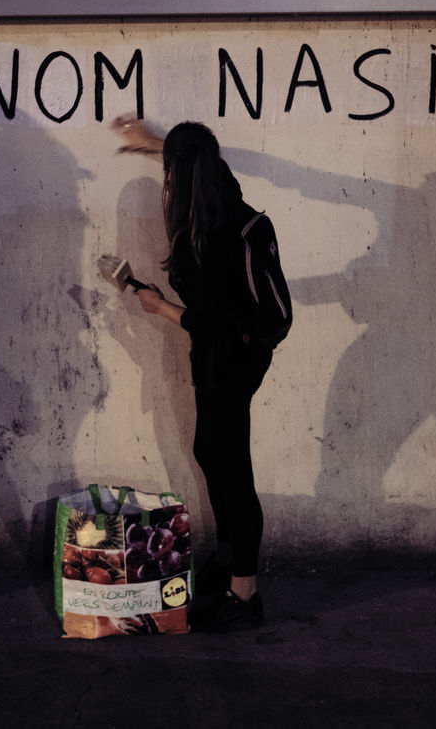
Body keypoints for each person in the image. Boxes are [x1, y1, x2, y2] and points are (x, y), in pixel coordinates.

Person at [112, 117, 292, 631]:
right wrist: (155, 144)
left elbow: (221, 321)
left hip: (233, 357)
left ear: (181, 174)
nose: (166, 182)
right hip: (218, 357)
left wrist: (162, 308)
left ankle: (245, 593)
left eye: (169, 171)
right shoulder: (220, 194)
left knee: (231, 468)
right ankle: (228, 560)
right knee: (210, 452)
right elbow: (199, 161)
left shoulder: (217, 232)